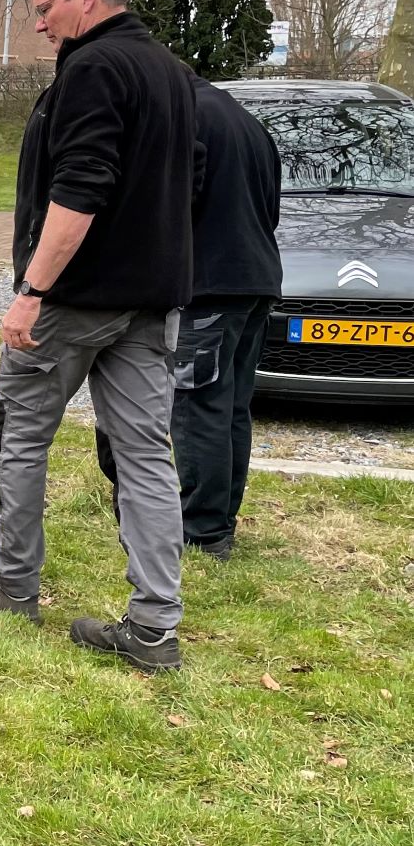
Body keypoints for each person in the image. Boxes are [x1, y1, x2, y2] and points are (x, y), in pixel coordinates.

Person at [0, 0, 197, 672]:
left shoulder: (93, 69)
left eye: (45, 9)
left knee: (24, 435)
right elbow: (192, 180)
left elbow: (81, 187)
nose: (41, 26)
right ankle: (155, 626)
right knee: (146, 456)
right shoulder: (172, 73)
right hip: (150, 302)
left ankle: (12, 583)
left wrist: (32, 292)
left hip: (76, 300)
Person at [90, 74, 282, 560]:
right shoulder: (247, 122)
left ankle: (202, 528)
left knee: (198, 407)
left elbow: (168, 204)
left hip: (209, 285)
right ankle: (219, 517)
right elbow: (271, 205)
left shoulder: (182, 117)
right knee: (231, 405)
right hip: (256, 281)